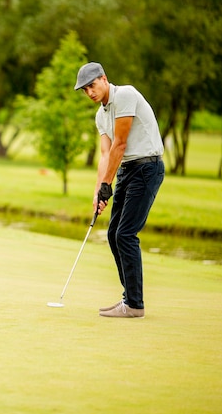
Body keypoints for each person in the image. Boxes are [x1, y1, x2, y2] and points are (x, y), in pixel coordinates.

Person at [74, 62, 165, 318]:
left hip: (147, 168)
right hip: (126, 169)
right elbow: (105, 155)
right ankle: (130, 299)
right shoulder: (100, 115)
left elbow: (120, 144)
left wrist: (107, 184)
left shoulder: (125, 95)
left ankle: (135, 305)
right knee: (114, 233)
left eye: (92, 86)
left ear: (104, 79)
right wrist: (98, 192)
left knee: (125, 234)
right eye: (85, 90)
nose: (90, 92)